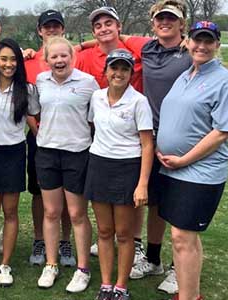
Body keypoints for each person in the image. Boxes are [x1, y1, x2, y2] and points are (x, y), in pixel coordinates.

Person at [156, 21, 228, 300]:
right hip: (173, 168)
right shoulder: (186, 74)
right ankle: (192, 293)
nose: (201, 46)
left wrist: (184, 159)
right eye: (197, 40)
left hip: (199, 170)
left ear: (216, 45)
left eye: (208, 41)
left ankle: (188, 297)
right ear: (187, 42)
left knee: (181, 236)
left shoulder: (224, 80)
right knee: (187, 235)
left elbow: (222, 131)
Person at [125, 1, 192, 294]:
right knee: (153, 201)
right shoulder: (147, 47)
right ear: (153, 23)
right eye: (160, 18)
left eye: (171, 19)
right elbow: (112, 38)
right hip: (151, 136)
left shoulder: (191, 51)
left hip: (182, 136)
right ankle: (153, 259)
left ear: (181, 24)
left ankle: (181, 268)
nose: (165, 23)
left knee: (177, 204)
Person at [85, 49, 153, 300]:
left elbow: (147, 144)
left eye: (125, 69)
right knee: (104, 230)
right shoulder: (96, 97)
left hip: (127, 168)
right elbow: (93, 127)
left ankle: (121, 287)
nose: (119, 73)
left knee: (124, 233)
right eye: (114, 68)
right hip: (99, 165)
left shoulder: (139, 102)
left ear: (131, 73)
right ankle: (105, 285)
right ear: (106, 72)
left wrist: (142, 184)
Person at [34, 37, 98, 293]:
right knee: (51, 213)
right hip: (47, 153)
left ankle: (83, 269)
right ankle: (51, 264)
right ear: (46, 59)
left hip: (76, 154)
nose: (59, 61)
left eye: (64, 56)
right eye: (54, 57)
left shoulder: (87, 83)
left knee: (76, 214)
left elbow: (94, 120)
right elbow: (36, 113)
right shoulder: (40, 82)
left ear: (72, 57)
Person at [0, 38, 38, 287]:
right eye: (3, 59)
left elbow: (34, 122)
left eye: (13, 59)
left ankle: (6, 264)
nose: (8, 64)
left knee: (10, 211)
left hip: (14, 153)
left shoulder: (28, 89)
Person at [24, 9, 77, 268]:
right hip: (40, 138)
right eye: (47, 27)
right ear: (39, 30)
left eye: (56, 26)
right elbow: (27, 106)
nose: (52, 30)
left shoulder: (73, 57)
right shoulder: (29, 61)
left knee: (68, 194)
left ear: (63, 29)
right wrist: (38, 133)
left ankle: (65, 240)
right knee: (39, 193)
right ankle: (39, 239)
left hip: (70, 139)